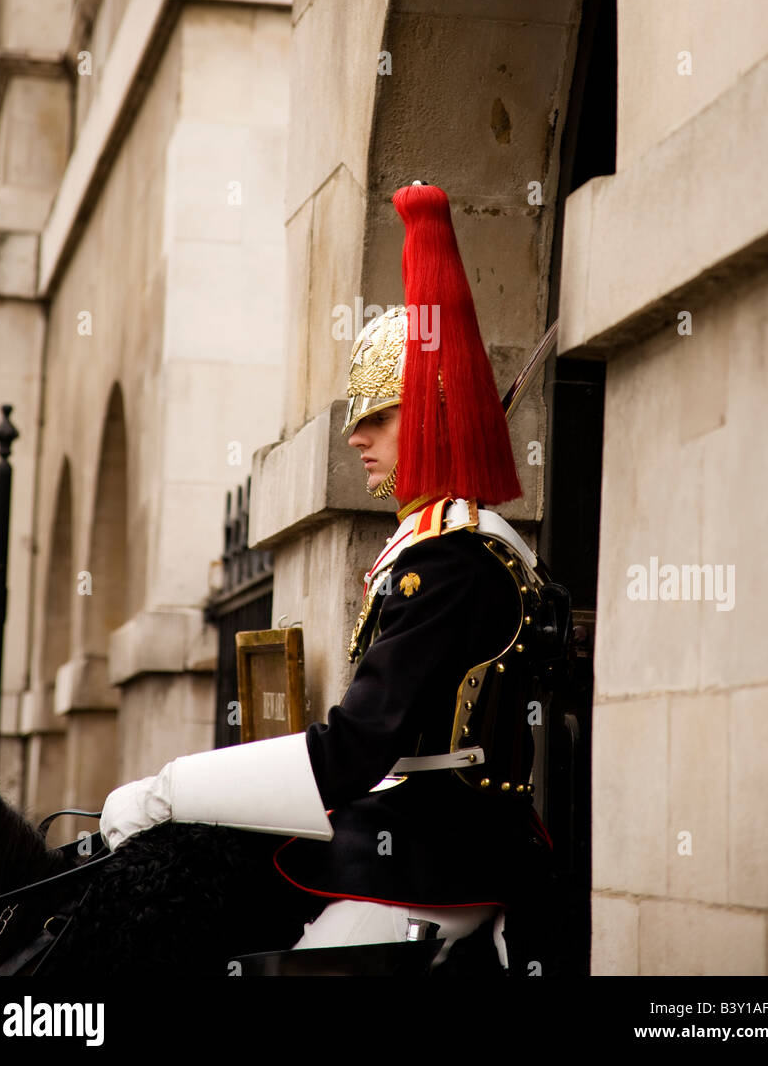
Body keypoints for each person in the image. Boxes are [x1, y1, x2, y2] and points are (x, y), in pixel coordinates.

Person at [99, 182, 557, 971]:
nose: (354, 438)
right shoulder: (456, 547)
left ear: (433, 414)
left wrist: (175, 788)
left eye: (376, 417)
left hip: (428, 867)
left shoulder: (449, 561)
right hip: (419, 844)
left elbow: (355, 751)